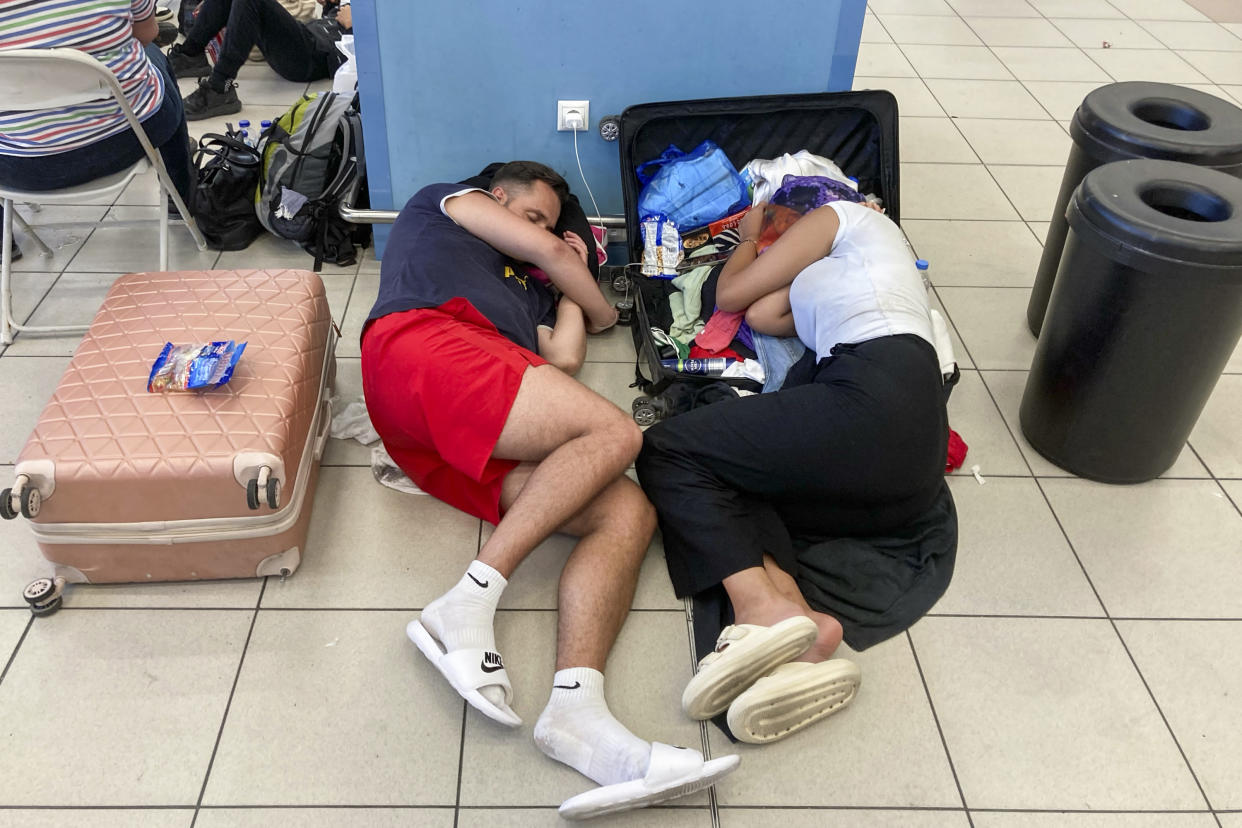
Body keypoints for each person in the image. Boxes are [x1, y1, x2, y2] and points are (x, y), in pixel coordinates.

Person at [361, 161, 739, 819]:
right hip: (421, 348)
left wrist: (566, 286)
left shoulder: (528, 292)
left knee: (626, 510)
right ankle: (467, 602)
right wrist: (576, 270)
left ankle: (576, 714)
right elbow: (580, 294)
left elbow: (566, 353)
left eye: (547, 224)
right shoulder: (448, 202)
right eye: (529, 213)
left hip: (456, 426)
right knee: (616, 435)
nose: (537, 231)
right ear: (496, 196)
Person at [635, 198, 952, 744]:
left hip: (872, 398)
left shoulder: (848, 218)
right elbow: (758, 314)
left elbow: (731, 294)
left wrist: (750, 236)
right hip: (906, 456)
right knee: (740, 468)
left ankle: (759, 607)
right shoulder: (839, 275)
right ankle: (802, 624)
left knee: (668, 449)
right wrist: (776, 264)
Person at [0, 0, 194, 203]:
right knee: (154, 56)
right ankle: (181, 193)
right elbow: (146, 35)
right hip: (131, 139)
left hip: (18, 167)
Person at [167, 0, 350, 119]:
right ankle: (190, 54)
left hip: (316, 55)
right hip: (311, 33)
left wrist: (358, 21)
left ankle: (219, 86)